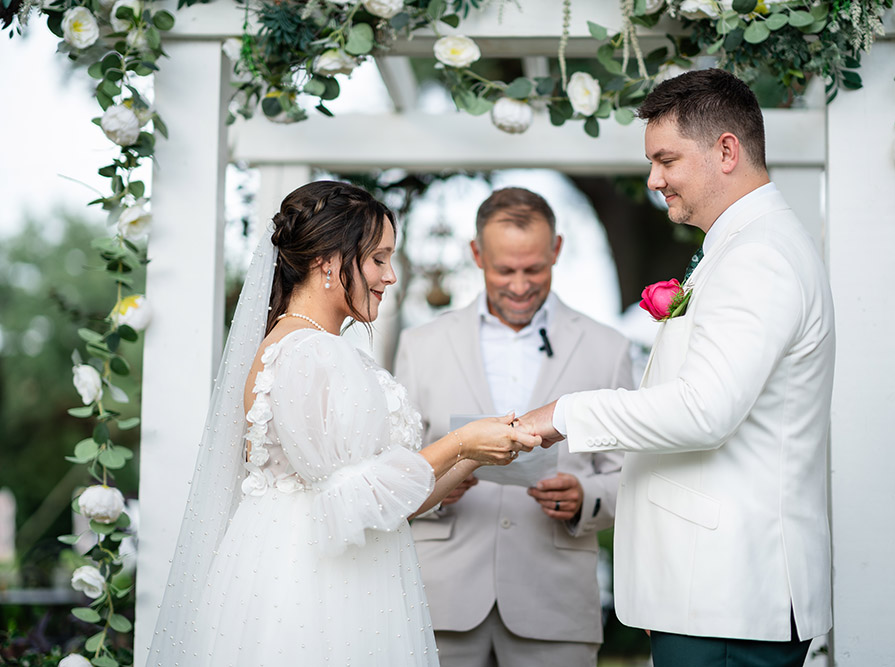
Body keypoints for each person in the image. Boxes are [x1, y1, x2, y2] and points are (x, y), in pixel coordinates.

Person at [144, 181, 540, 666]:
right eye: (378, 259)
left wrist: (475, 451)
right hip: (311, 585)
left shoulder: (322, 348)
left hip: (346, 566)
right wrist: (460, 439)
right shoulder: (307, 352)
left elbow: (386, 501)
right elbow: (353, 495)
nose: (390, 276)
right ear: (327, 260)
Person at [518, 69, 836, 667]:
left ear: (725, 150)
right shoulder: (743, 245)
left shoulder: (759, 255)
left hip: (730, 594)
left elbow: (703, 410)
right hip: (712, 592)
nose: (653, 178)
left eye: (666, 160)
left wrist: (564, 413)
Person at [394, 187, 633, 666]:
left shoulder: (608, 348)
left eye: (534, 269)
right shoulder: (421, 345)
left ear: (557, 251)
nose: (520, 285)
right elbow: (391, 465)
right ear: (476, 254)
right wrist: (434, 485)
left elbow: (634, 472)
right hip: (439, 599)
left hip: (555, 603)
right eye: (505, 270)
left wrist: (587, 497)